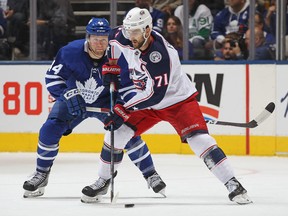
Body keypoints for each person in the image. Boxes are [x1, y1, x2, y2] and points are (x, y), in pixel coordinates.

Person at [81, 7, 253, 205]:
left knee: (200, 141)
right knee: (116, 134)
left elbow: (155, 96)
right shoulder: (124, 34)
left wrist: (124, 108)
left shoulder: (160, 54)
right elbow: (112, 42)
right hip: (146, 100)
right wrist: (110, 65)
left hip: (177, 101)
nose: (130, 35)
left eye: (135, 31)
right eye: (128, 30)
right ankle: (103, 180)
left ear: (147, 30)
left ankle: (232, 183)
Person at [22, 17, 166, 200]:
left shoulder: (118, 54)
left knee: (126, 132)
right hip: (74, 98)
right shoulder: (69, 51)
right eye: (96, 38)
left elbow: (129, 87)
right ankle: (41, 174)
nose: (100, 43)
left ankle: (150, 174)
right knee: (50, 128)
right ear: (87, 37)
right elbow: (52, 78)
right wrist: (67, 94)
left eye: (104, 38)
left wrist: (123, 107)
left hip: (106, 101)